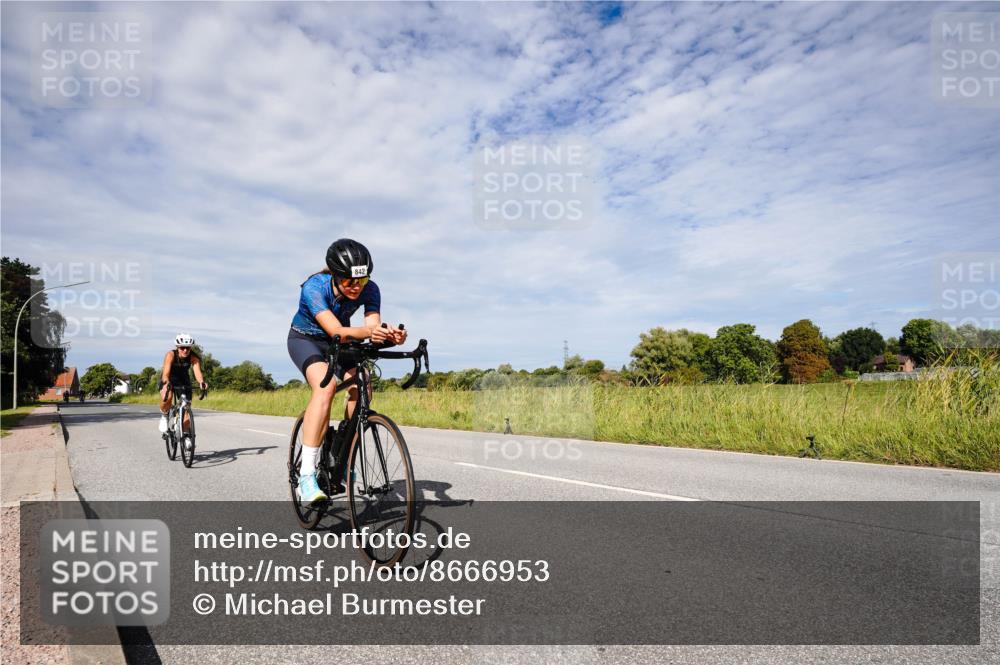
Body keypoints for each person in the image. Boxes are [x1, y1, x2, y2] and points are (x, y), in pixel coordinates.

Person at [287, 238, 406, 503]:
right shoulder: (314, 287)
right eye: (350, 281)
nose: (356, 287)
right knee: (325, 386)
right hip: (307, 340)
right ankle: (307, 476)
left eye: (361, 281)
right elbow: (336, 330)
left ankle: (341, 448)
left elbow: (372, 327)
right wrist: (370, 332)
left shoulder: (370, 289)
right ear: (336, 275)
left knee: (363, 383)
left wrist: (390, 336)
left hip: (342, 342)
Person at [158, 333, 207, 450]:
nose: (185, 350)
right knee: (168, 396)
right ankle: (164, 415)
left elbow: (198, 373)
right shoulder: (170, 355)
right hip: (169, 378)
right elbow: (165, 374)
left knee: (186, 410)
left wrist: (201, 382)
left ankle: (185, 436)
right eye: (182, 348)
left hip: (183, 380)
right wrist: (166, 383)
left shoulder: (194, 357)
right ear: (177, 347)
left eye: (188, 348)